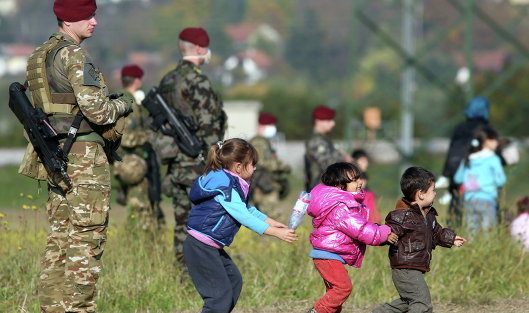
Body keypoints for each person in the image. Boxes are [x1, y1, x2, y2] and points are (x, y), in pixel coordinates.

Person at [22, 1, 131, 312]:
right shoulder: (74, 54)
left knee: (59, 238)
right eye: (86, 16)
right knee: (86, 239)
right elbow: (97, 110)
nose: (94, 21)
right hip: (83, 156)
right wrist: (123, 105)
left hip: (55, 155)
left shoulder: (39, 54)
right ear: (68, 20)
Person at [183, 138, 298, 312]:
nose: (255, 168)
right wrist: (275, 232)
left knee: (233, 281)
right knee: (218, 297)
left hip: (209, 247)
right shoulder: (226, 187)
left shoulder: (232, 182)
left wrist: (274, 223)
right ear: (238, 167)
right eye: (252, 164)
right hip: (200, 247)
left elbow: (247, 209)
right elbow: (243, 216)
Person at [156, 27, 227, 264]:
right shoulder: (197, 80)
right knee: (203, 222)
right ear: (198, 48)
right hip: (197, 164)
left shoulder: (167, 80)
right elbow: (208, 126)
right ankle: (201, 273)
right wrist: (218, 164)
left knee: (181, 222)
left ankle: (182, 273)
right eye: (205, 48)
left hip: (175, 163)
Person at [372, 167, 467, 313]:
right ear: (421, 194)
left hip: (414, 267)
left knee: (409, 301)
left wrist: (451, 238)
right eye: (433, 190)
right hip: (405, 268)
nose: (435, 194)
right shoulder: (402, 215)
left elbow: (437, 232)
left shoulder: (428, 215)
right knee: (422, 303)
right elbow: (389, 230)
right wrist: (384, 235)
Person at [306, 162, 398, 313]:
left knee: (334, 297)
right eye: (354, 180)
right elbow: (360, 229)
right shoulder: (341, 206)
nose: (360, 182)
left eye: (359, 178)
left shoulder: (341, 203)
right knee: (343, 288)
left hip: (329, 255)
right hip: (328, 256)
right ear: (340, 186)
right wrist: (383, 232)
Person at [113, 64, 161, 230]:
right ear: (136, 80)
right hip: (134, 163)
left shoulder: (120, 99)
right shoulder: (129, 102)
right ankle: (138, 242)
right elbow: (126, 137)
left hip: (128, 163)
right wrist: (149, 136)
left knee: (139, 208)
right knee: (140, 209)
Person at [437, 96, 491, 227]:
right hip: (478, 171)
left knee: (456, 201)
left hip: (456, 168)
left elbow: (452, 151)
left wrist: (446, 173)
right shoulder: (487, 130)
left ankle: (452, 230)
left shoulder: (460, 128)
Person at [454, 127, 506, 233]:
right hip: (487, 198)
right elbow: (501, 180)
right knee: (488, 231)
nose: (497, 143)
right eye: (495, 140)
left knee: (471, 231)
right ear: (487, 141)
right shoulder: (493, 159)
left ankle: (471, 249)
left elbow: (457, 178)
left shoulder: (468, 158)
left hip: (469, 199)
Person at [249, 112, 291, 219]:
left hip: (266, 183)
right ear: (262, 126)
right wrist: (282, 166)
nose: (273, 128)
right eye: (271, 125)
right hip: (262, 184)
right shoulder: (258, 142)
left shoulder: (264, 141)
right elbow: (261, 162)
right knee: (272, 218)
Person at [304, 105, 353, 191]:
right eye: (329, 120)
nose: (333, 123)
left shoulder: (324, 140)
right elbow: (327, 165)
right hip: (320, 190)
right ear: (318, 121)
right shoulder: (316, 141)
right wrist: (343, 158)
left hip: (327, 188)